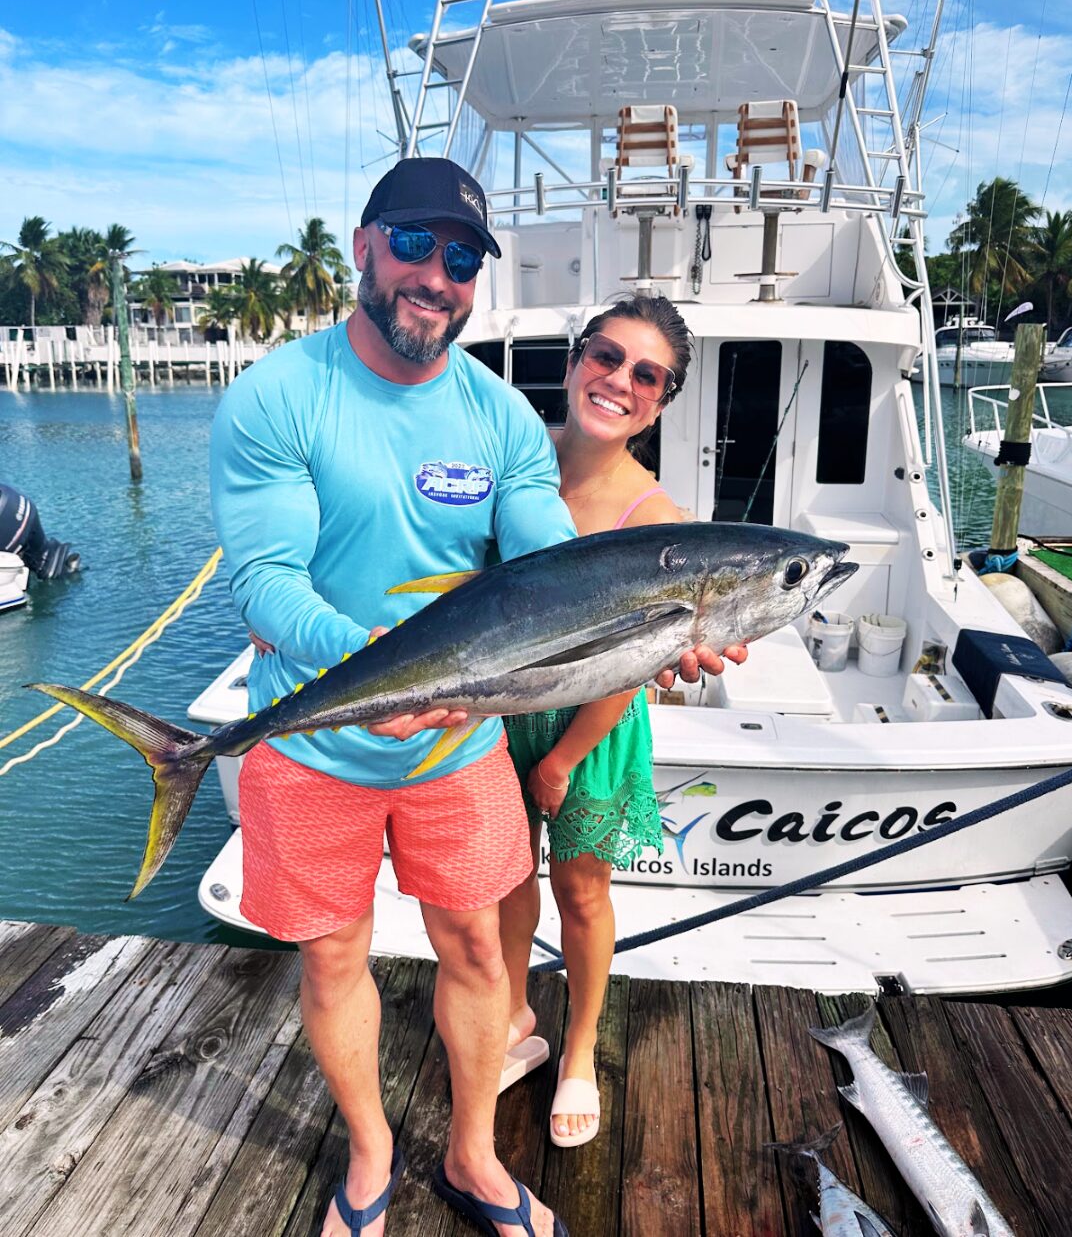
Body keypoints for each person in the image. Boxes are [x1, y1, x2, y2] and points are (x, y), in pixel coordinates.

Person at [211, 158, 738, 1237]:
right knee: (332, 956)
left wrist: (650, 633)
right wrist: (368, 658)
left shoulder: (498, 416)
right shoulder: (276, 394)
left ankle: (471, 1158)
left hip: (458, 746)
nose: (435, 276)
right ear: (364, 244)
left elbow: (544, 559)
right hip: (314, 750)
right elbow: (264, 580)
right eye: (414, 244)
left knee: (483, 953)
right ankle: (368, 1157)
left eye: (461, 259)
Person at [499, 295, 748, 1149]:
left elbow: (632, 662)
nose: (619, 381)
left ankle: (578, 1050)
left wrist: (565, 755)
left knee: (580, 889)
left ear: (664, 400)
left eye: (648, 374)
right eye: (605, 356)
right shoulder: (516, 462)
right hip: (500, 709)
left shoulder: (658, 520)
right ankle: (513, 1013)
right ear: (574, 361)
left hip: (589, 729)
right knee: (503, 880)